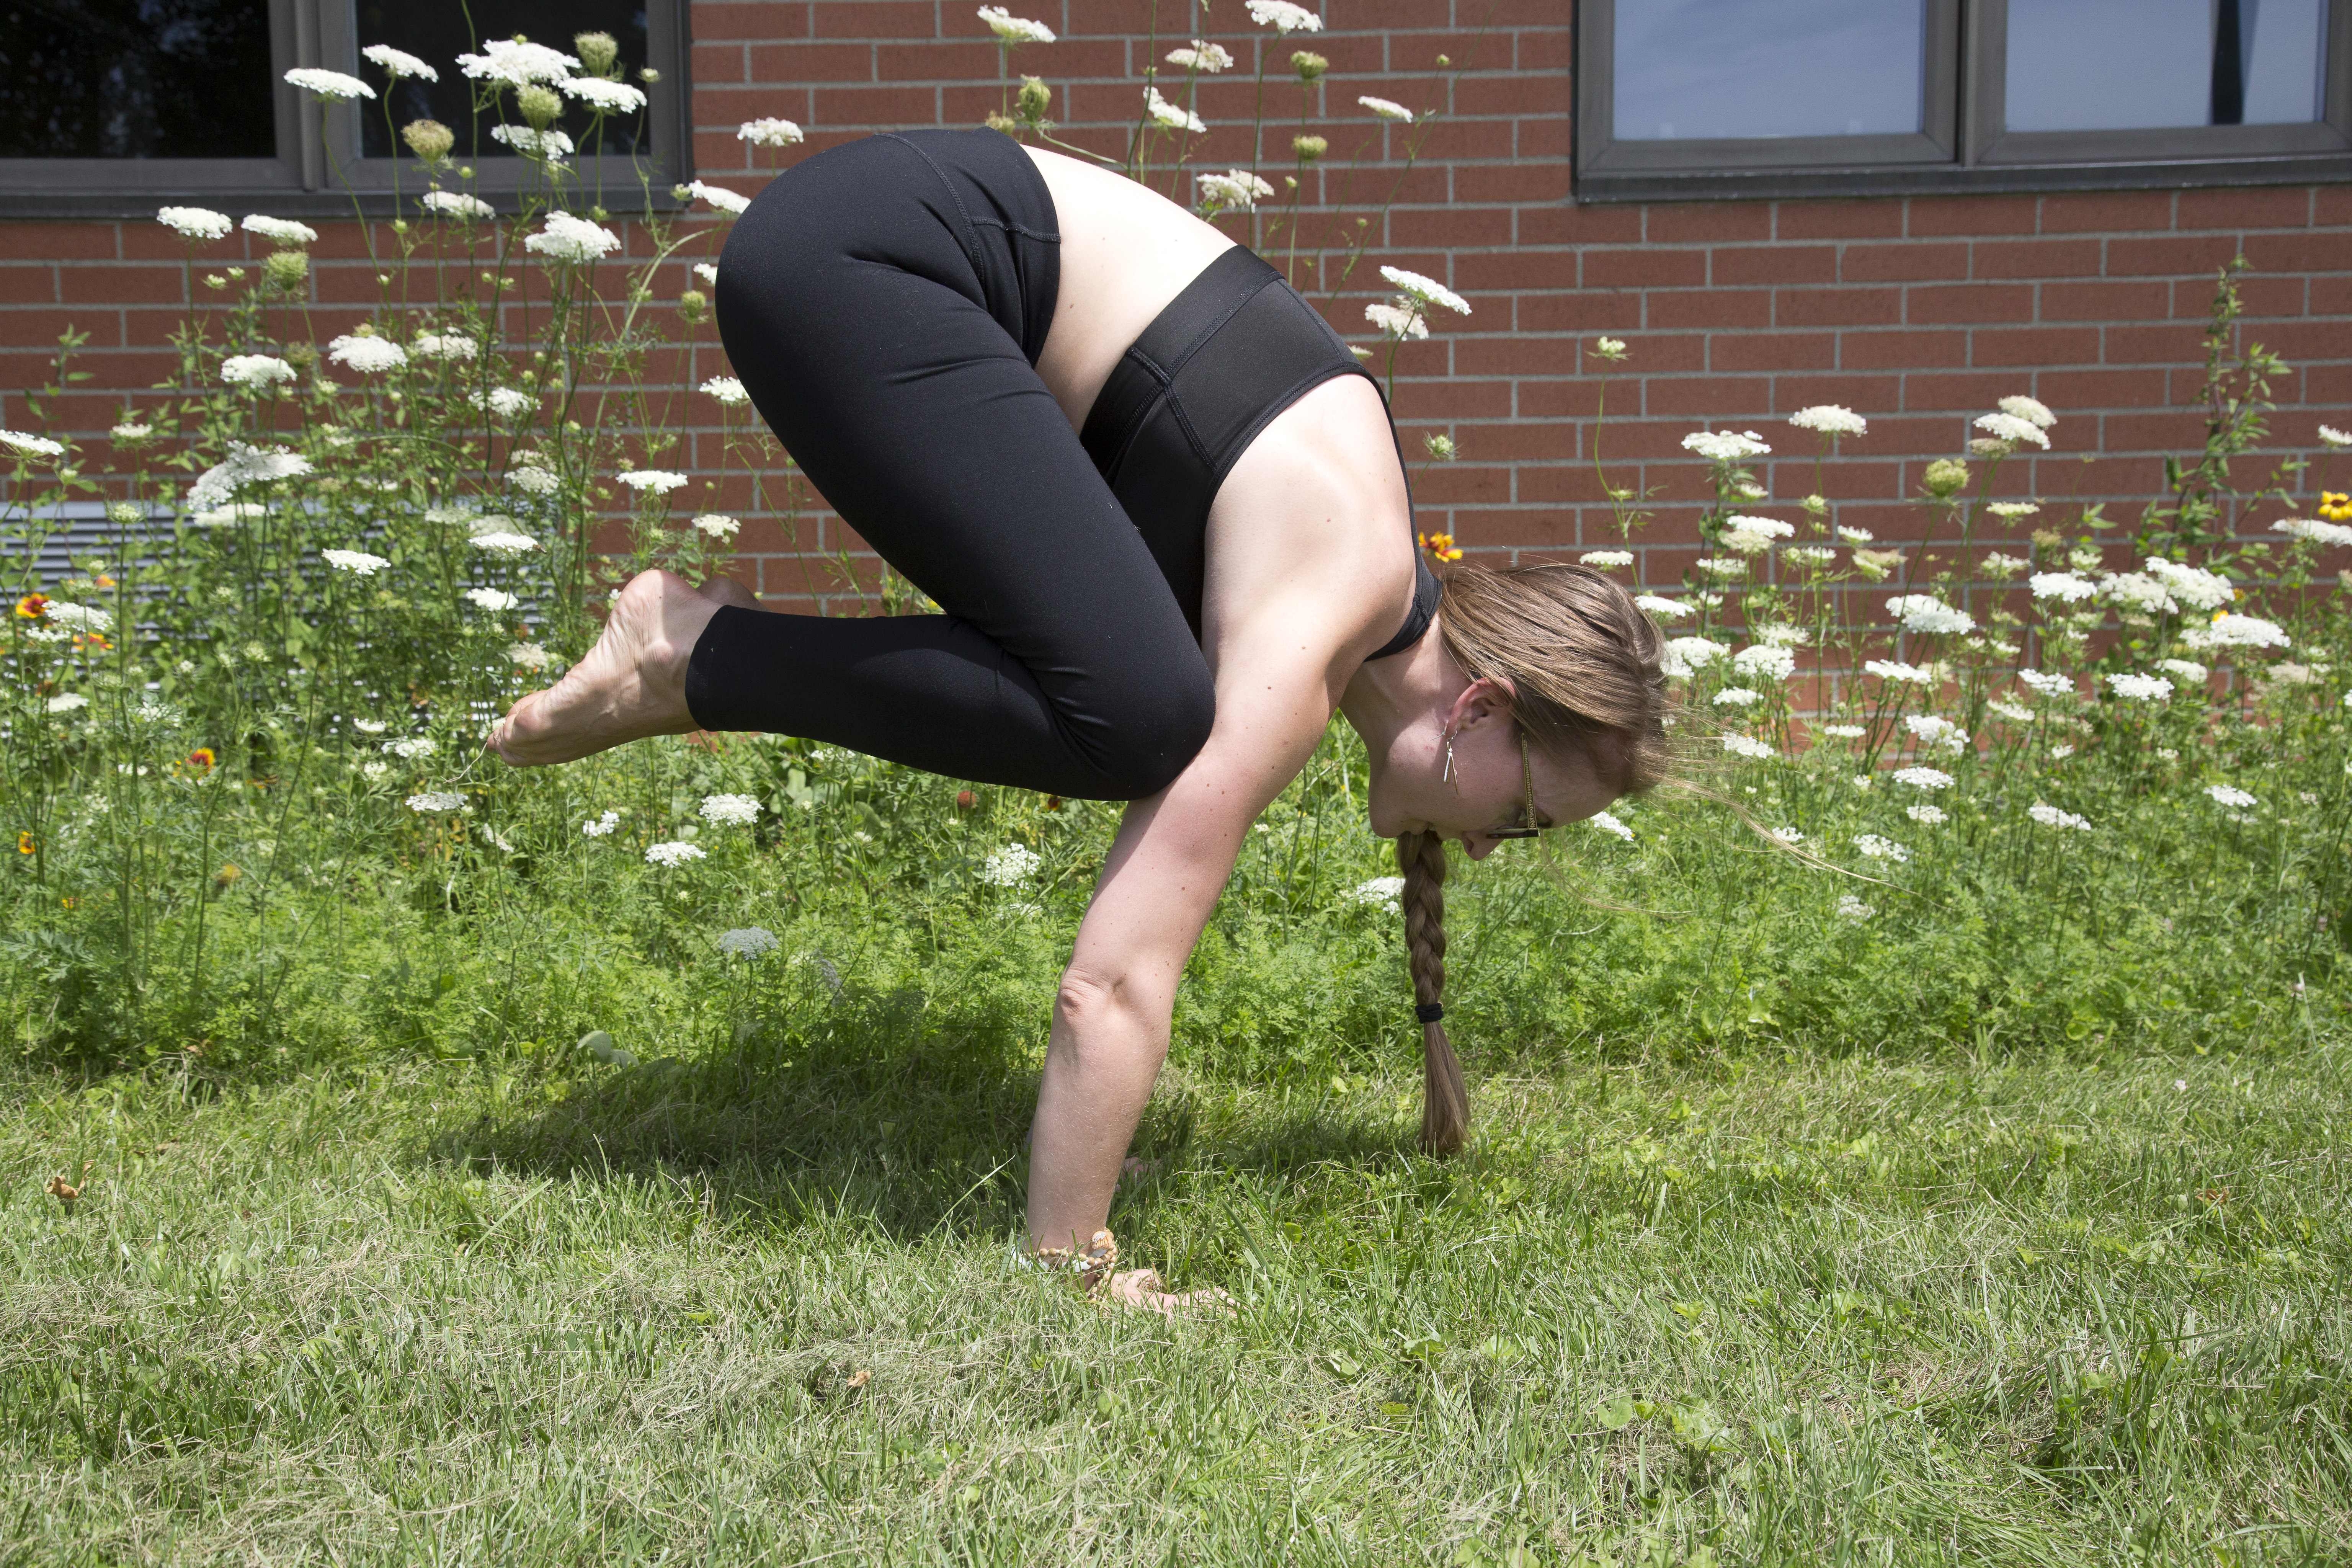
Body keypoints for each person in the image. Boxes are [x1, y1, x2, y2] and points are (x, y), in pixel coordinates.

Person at [489, 128, 1668, 1312]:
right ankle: (690, 655)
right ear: (1481, 704)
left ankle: (698, 655)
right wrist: (1074, 1263)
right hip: (863, 261)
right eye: (1520, 817)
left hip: (863, 253)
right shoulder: (1330, 594)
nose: (1482, 848)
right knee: (1143, 716)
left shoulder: (1339, 573)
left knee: (1135, 691)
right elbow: (1110, 981)